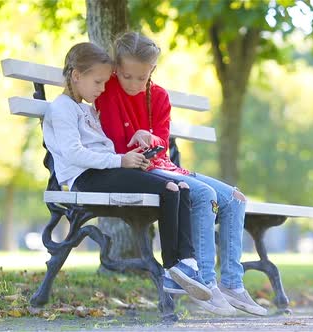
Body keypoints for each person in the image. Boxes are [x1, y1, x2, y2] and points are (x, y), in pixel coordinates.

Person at [95, 32, 267, 316]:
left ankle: (232, 284)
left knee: (236, 198)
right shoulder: (109, 90)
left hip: (164, 167)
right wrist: (134, 138)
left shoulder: (159, 96)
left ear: (152, 71)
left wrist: (150, 137)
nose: (135, 84)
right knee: (203, 194)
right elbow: (111, 143)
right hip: (136, 169)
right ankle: (205, 283)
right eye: (128, 76)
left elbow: (162, 142)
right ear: (116, 68)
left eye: (143, 77)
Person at [42, 42, 211, 302]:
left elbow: (105, 146)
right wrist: (121, 161)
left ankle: (185, 263)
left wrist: (135, 145)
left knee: (182, 187)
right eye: (98, 82)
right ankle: (171, 268)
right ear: (76, 75)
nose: (102, 88)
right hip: (87, 179)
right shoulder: (62, 108)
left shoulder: (85, 109)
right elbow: (74, 154)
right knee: (168, 187)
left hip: (106, 173)